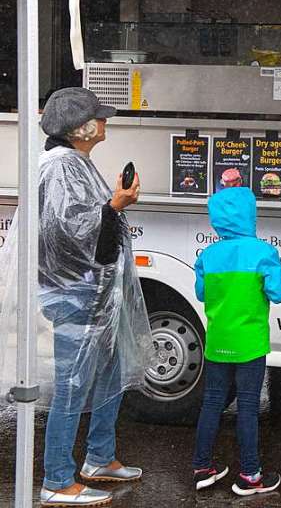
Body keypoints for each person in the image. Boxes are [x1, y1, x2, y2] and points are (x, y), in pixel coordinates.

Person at [36, 87, 152, 506]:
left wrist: (112, 206)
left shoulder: (75, 162)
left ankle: (99, 458)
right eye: (98, 117)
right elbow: (65, 234)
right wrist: (115, 206)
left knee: (110, 372)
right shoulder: (60, 166)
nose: (104, 122)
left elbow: (81, 226)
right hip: (76, 297)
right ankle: (56, 480)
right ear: (80, 127)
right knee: (72, 385)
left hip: (95, 297)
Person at [191, 186, 281, 495]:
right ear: (250, 215)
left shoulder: (208, 255)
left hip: (218, 342)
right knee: (247, 407)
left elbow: (201, 293)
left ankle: (202, 467)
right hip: (250, 344)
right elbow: (280, 293)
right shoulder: (263, 252)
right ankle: (250, 476)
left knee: (211, 403)